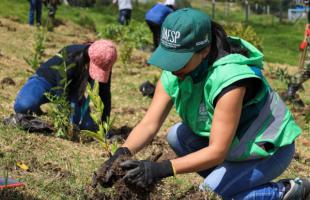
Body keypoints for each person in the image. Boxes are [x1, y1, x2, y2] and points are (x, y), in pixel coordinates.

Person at [92, 8, 310, 199]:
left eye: (180, 60)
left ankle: (282, 192)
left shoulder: (229, 78)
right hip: (234, 144)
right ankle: (232, 181)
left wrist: (161, 169)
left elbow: (216, 151)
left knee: (206, 196)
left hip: (265, 150)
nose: (172, 68)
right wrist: (122, 152)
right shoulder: (176, 70)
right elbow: (149, 124)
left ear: (204, 51)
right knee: (177, 135)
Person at [14, 39, 117, 131]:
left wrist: (105, 126)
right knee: (23, 107)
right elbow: (62, 92)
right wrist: (65, 122)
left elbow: (105, 96)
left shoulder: (105, 63)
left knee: (87, 126)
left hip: (72, 91)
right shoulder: (71, 54)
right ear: (90, 57)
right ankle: (35, 103)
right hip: (44, 82)